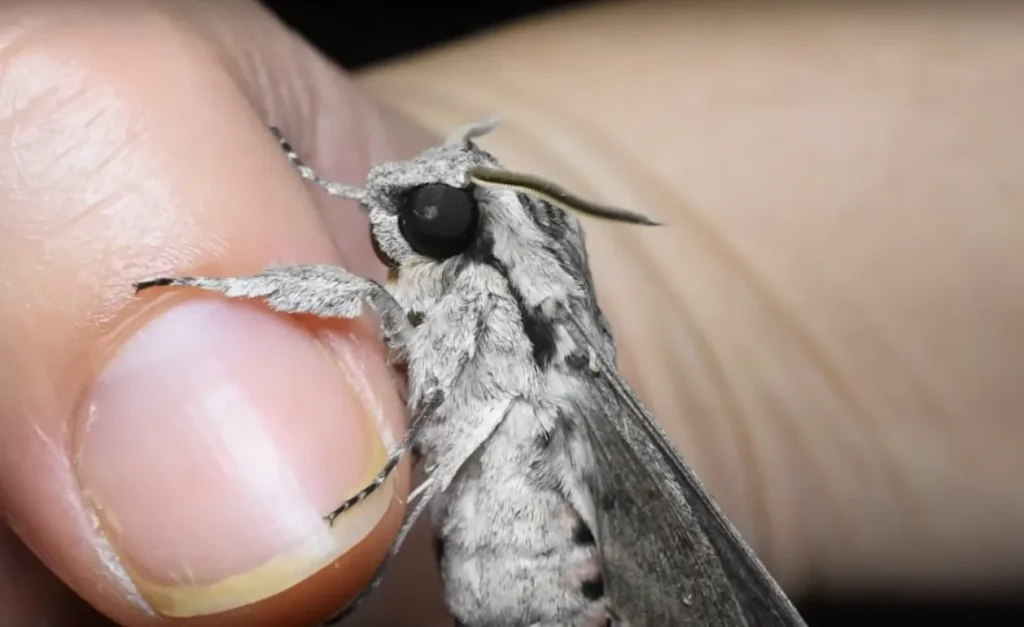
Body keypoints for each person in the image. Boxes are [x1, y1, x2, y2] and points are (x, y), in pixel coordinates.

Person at [2, 2, 1021, 625]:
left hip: (537, 573)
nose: (399, 211)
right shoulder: (475, 294)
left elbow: (401, 328)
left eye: (429, 212)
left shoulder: (519, 330)